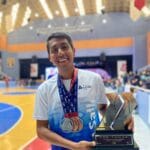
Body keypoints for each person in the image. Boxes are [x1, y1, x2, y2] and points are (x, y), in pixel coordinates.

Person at [33, 32, 134, 150]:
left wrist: (121, 118)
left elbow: (102, 108)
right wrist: (74, 146)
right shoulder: (44, 90)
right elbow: (41, 129)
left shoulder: (94, 79)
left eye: (64, 47)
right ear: (50, 57)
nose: (60, 52)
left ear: (74, 51)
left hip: (93, 145)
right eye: (54, 50)